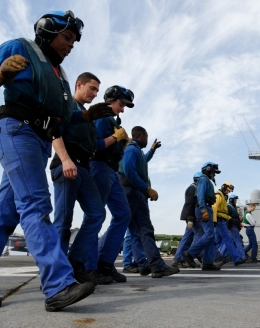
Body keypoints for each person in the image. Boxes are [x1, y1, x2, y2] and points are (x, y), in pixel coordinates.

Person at [0, 10, 112, 312]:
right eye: (67, 37)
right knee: (36, 205)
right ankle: (58, 285)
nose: (71, 45)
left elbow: (62, 117)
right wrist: (0, 74)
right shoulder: (21, 48)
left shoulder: (59, 75)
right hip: (17, 130)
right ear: (48, 33)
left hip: (37, 140)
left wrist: (86, 115)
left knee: (4, 215)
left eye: (74, 41)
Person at [50, 72, 113, 285]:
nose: (95, 94)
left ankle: (75, 263)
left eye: (97, 90)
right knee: (63, 220)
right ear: (79, 84)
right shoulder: (66, 105)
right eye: (92, 88)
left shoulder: (88, 115)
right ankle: (57, 274)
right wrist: (65, 159)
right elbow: (54, 131)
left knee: (97, 213)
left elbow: (94, 146)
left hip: (84, 169)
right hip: (67, 164)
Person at [83, 85, 139, 283]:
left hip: (112, 171)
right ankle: (89, 268)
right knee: (95, 216)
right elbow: (94, 145)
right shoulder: (99, 117)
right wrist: (115, 138)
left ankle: (105, 263)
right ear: (111, 99)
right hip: (98, 167)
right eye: (121, 104)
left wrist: (120, 144)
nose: (122, 109)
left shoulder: (111, 120)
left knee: (123, 215)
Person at [119, 126, 179, 278]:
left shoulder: (136, 150)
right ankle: (101, 263)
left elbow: (143, 160)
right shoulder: (132, 149)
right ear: (140, 136)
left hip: (134, 192)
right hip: (133, 192)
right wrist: (146, 189)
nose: (147, 139)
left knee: (136, 231)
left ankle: (146, 264)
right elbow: (128, 170)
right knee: (124, 228)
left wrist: (152, 150)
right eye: (146, 137)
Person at [183, 162, 221, 271]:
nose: (214, 174)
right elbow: (200, 195)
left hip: (206, 207)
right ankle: (190, 253)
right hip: (203, 208)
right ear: (208, 169)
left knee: (210, 236)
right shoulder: (203, 179)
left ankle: (208, 263)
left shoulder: (206, 180)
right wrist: (203, 210)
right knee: (209, 234)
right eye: (213, 171)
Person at [172, 172, 204, 267]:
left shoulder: (194, 188)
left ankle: (178, 259)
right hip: (192, 216)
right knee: (199, 235)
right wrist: (190, 218)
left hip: (191, 216)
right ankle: (188, 256)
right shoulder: (193, 188)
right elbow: (189, 203)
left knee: (188, 238)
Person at [213, 182, 243, 266]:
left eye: (229, 191)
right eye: (227, 190)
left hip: (221, 220)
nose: (228, 192)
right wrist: (214, 220)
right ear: (223, 187)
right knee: (227, 240)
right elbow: (214, 207)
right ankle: (234, 259)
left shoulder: (223, 197)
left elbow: (223, 211)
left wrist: (229, 218)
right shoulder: (219, 195)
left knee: (217, 241)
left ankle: (216, 258)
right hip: (219, 221)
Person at [227, 194, 247, 262]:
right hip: (232, 226)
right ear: (231, 200)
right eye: (235, 200)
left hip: (233, 226)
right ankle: (242, 256)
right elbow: (228, 218)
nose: (236, 201)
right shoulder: (230, 207)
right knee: (237, 241)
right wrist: (228, 227)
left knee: (230, 241)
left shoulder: (233, 207)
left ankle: (224, 256)